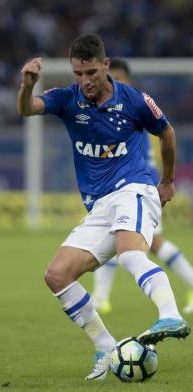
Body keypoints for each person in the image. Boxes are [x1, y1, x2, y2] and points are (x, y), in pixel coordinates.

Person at [17, 34, 190, 380]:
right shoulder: (68, 99)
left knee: (129, 253)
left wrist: (167, 181)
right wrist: (27, 86)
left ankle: (170, 313)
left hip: (134, 189)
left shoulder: (135, 100)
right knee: (56, 275)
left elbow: (167, 133)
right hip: (99, 207)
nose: (84, 81)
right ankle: (105, 345)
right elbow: (27, 109)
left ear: (106, 66)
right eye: (78, 73)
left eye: (91, 72)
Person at [92, 58, 193, 315]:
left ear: (129, 80)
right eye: (111, 78)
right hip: (122, 188)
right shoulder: (113, 112)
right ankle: (100, 298)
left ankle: (102, 298)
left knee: (152, 244)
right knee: (118, 242)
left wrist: (163, 180)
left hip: (141, 188)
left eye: (119, 78)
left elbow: (165, 137)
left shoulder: (136, 108)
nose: (114, 83)